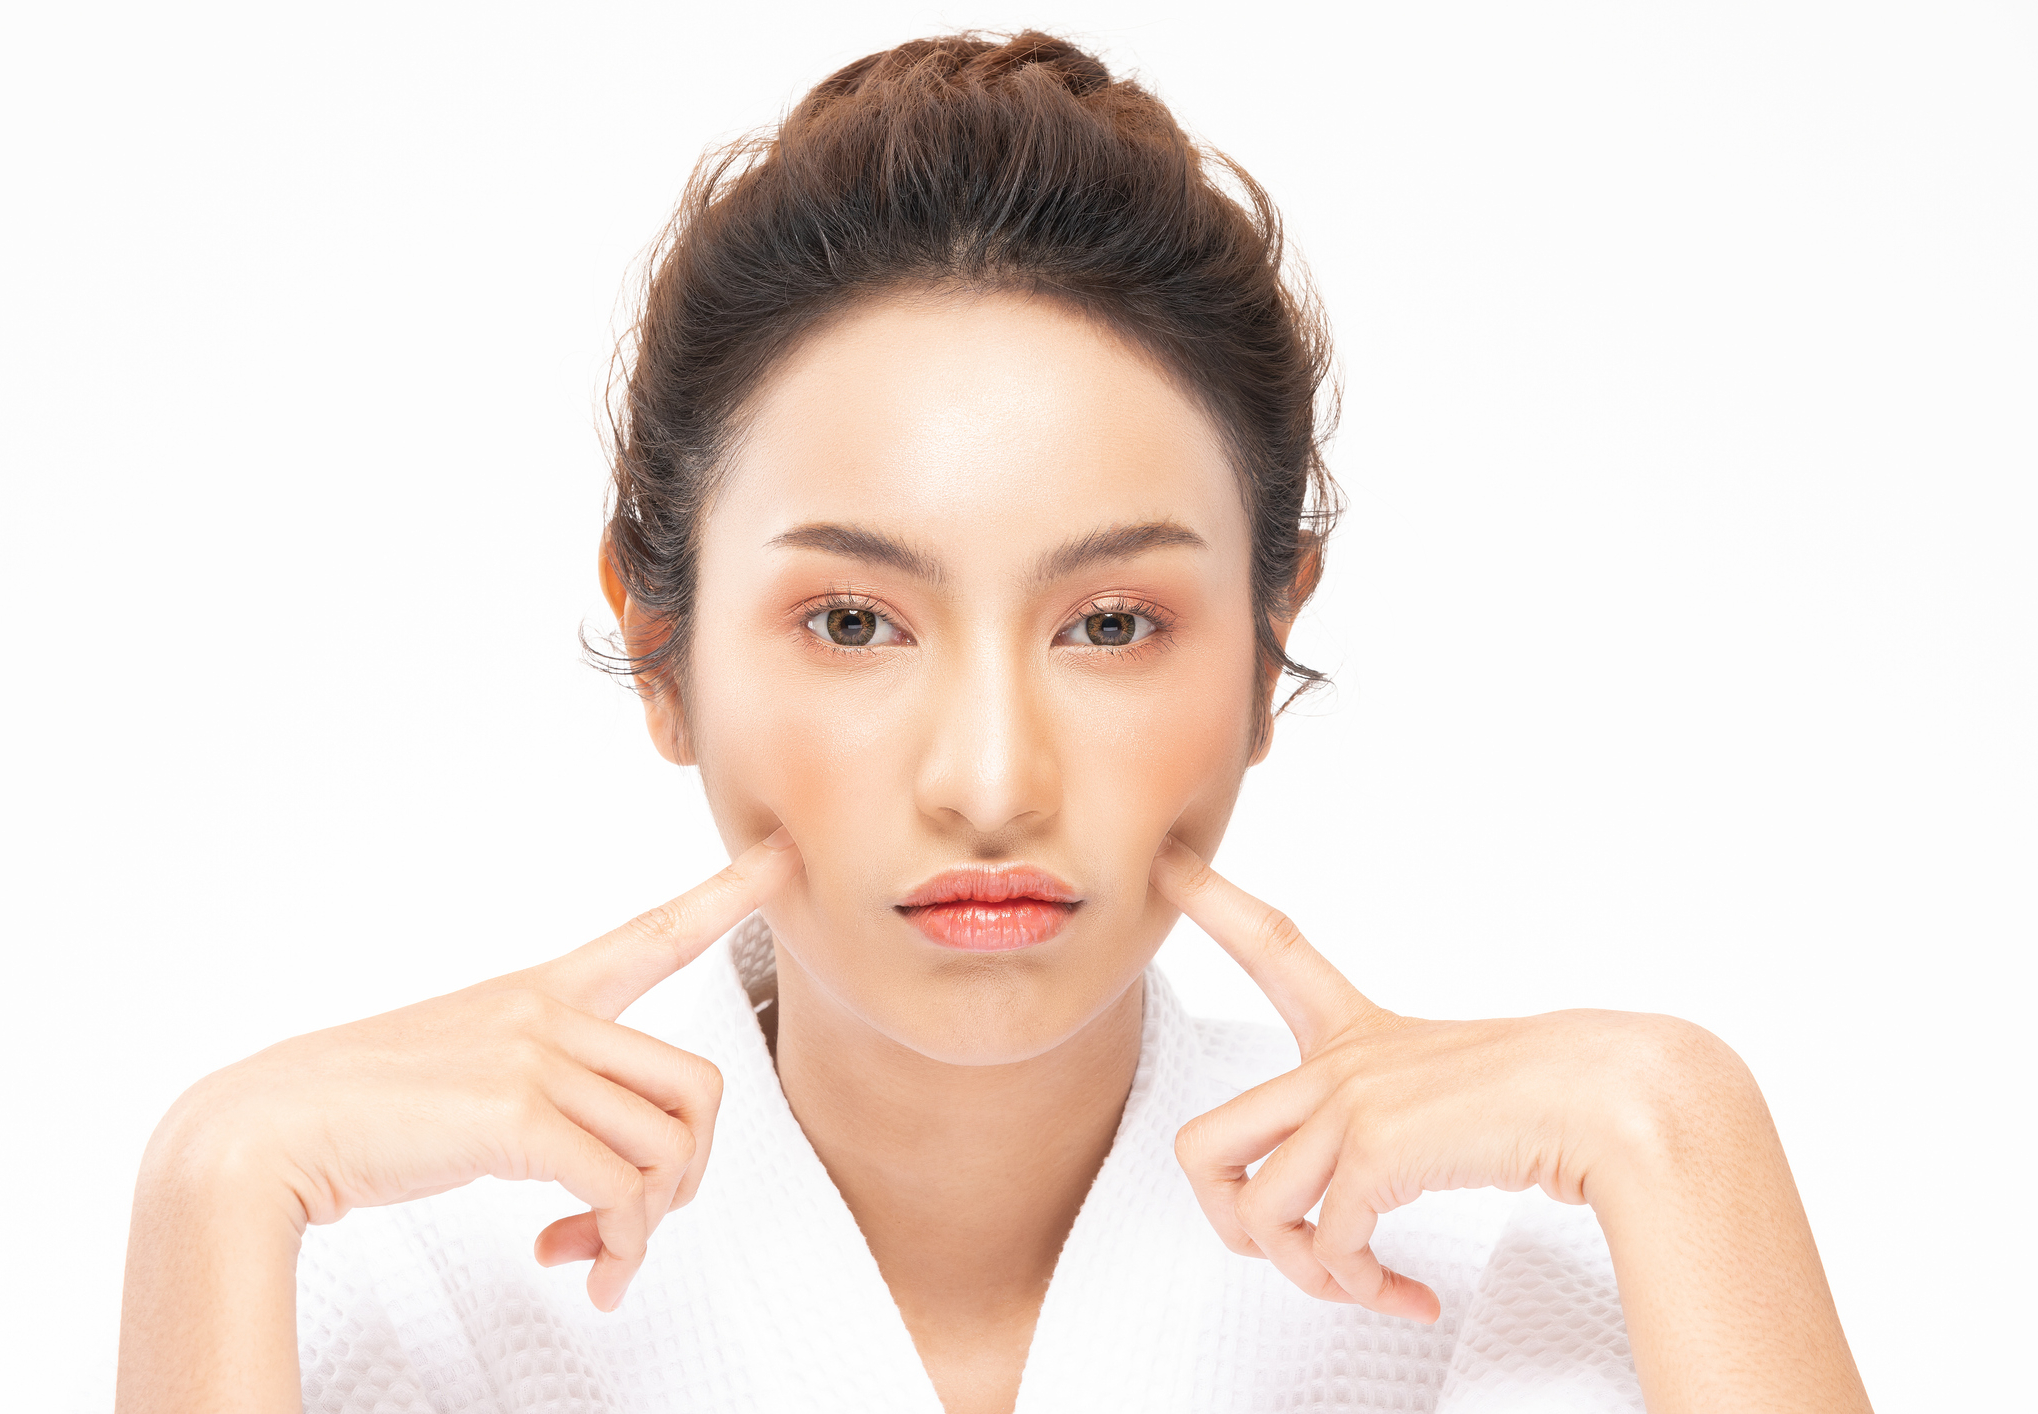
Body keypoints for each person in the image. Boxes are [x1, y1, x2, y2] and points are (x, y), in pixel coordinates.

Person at [116, 31, 1871, 1414]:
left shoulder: (1506, 1262)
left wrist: (1678, 1120)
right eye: (852, 621)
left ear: (1266, 641)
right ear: (662, 648)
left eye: (1110, 623)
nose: (987, 777)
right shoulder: (383, 1272)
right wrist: (211, 1183)